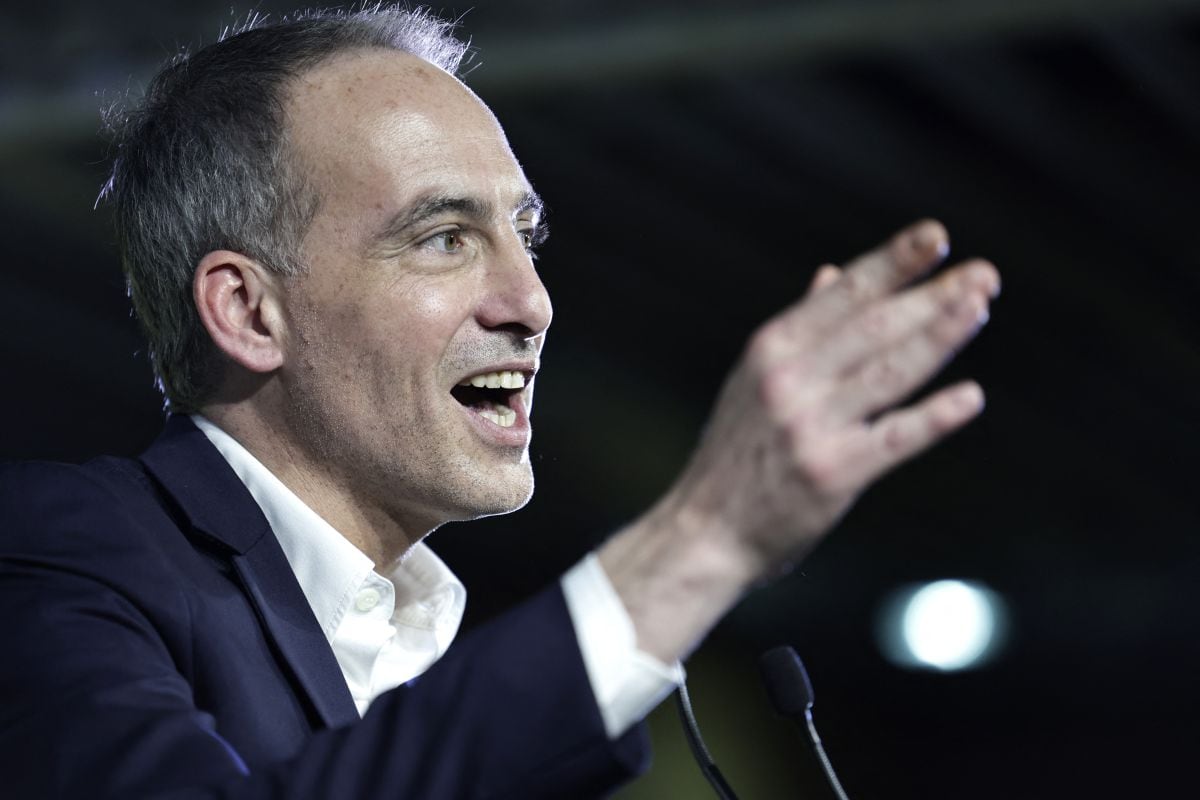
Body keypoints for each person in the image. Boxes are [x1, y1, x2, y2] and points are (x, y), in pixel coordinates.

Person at [0, 6, 999, 799]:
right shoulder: (56, 548)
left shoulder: (429, 655)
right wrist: (704, 536)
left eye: (527, 236)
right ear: (250, 310)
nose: (531, 301)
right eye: (443, 236)